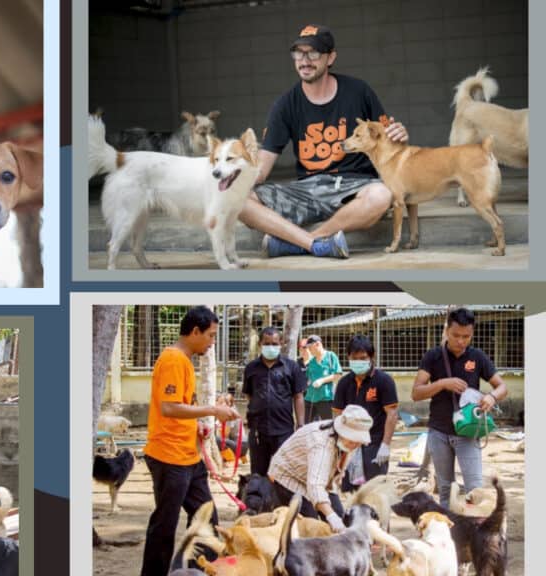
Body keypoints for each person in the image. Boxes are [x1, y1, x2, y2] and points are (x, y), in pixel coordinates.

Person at [235, 24, 410, 259]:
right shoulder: (285, 104)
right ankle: (314, 244)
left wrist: (399, 136)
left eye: (313, 53)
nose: (304, 61)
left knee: (381, 195)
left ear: (331, 57)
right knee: (237, 198)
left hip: (356, 185)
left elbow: (386, 138)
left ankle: (302, 242)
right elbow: (262, 167)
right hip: (308, 190)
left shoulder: (358, 91)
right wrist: (234, 178)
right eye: (299, 53)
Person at [140, 306, 240, 576]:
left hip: (188, 456)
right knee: (165, 525)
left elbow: (181, 408)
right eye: (210, 335)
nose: (212, 342)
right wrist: (212, 411)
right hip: (169, 457)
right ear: (195, 331)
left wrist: (197, 427)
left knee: (206, 518)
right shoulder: (173, 360)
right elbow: (169, 408)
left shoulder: (184, 360)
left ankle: (200, 571)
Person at [412, 308, 507, 507]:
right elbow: (416, 393)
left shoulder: (477, 357)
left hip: (468, 431)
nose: (461, 341)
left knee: (474, 489)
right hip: (438, 431)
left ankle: (477, 532)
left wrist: (491, 396)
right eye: (456, 335)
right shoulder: (433, 356)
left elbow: (502, 387)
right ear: (447, 331)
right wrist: (442, 383)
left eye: (466, 336)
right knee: (446, 489)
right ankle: (450, 533)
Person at [267, 404, 373, 531]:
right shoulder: (320, 444)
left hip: (319, 479)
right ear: (341, 431)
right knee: (310, 524)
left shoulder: (349, 442)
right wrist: (330, 516)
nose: (355, 444)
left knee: (341, 518)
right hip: (288, 476)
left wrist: (334, 514)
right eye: (352, 440)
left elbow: (332, 474)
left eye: (358, 441)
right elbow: (315, 485)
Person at [332, 335, 398, 488]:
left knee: (374, 491)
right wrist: (339, 445)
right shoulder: (344, 383)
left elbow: (392, 414)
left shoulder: (383, 381)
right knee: (349, 491)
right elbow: (337, 415)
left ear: (371, 357)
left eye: (363, 358)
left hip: (374, 444)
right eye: (355, 358)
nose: (359, 362)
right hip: (349, 445)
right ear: (348, 357)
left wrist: (385, 445)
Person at [242, 327, 306, 476]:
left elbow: (298, 396)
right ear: (260, 344)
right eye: (267, 343)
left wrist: (301, 424)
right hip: (258, 431)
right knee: (258, 474)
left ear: (281, 343)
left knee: (284, 474)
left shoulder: (291, 367)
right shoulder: (251, 368)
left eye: (274, 343)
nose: (271, 346)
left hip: (284, 430)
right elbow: (249, 396)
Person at [304, 334, 342, 423]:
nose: (309, 350)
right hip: (310, 398)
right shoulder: (311, 362)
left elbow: (338, 375)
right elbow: (308, 378)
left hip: (326, 398)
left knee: (328, 426)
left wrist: (322, 380)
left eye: (310, 347)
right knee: (305, 425)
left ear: (318, 344)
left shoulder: (330, 356)